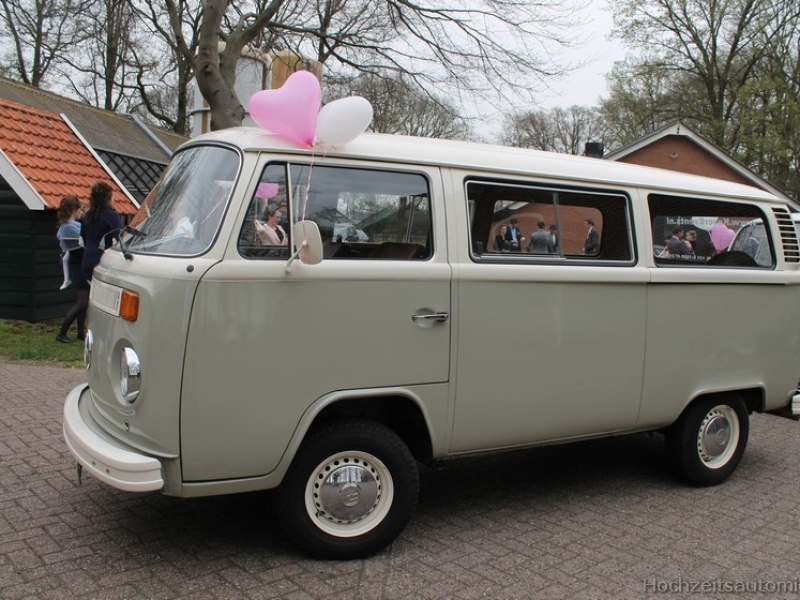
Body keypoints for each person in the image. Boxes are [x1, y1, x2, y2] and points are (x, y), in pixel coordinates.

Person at [56, 182, 121, 344]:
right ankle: (103, 335)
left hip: (86, 262)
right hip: (100, 261)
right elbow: (119, 239)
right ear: (108, 198)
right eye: (113, 197)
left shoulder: (88, 216)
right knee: (99, 301)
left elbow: (83, 240)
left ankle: (81, 332)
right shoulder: (111, 215)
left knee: (85, 300)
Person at [55, 195, 83, 291]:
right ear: (74, 211)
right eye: (80, 209)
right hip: (75, 252)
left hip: (70, 250)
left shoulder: (65, 225)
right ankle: (66, 279)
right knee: (66, 258)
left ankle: (66, 279)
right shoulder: (72, 226)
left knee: (65, 259)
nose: (81, 212)